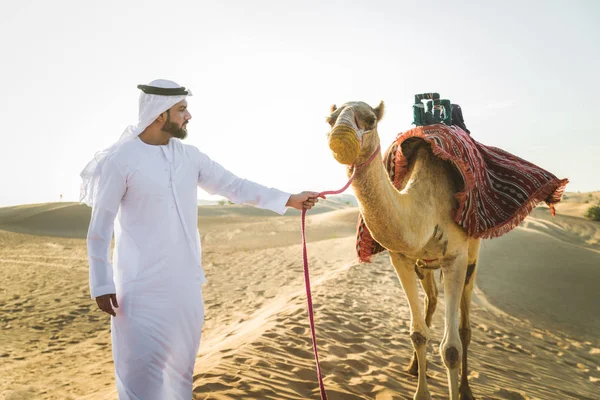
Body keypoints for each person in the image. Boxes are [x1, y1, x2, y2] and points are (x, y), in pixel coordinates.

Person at [80, 79, 322, 399]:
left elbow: (235, 186)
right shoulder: (120, 160)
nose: (188, 116)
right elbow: (100, 228)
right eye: (181, 110)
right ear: (158, 114)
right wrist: (101, 283)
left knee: (181, 374)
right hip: (138, 290)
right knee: (138, 377)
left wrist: (289, 199)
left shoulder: (190, 157)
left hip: (185, 288)